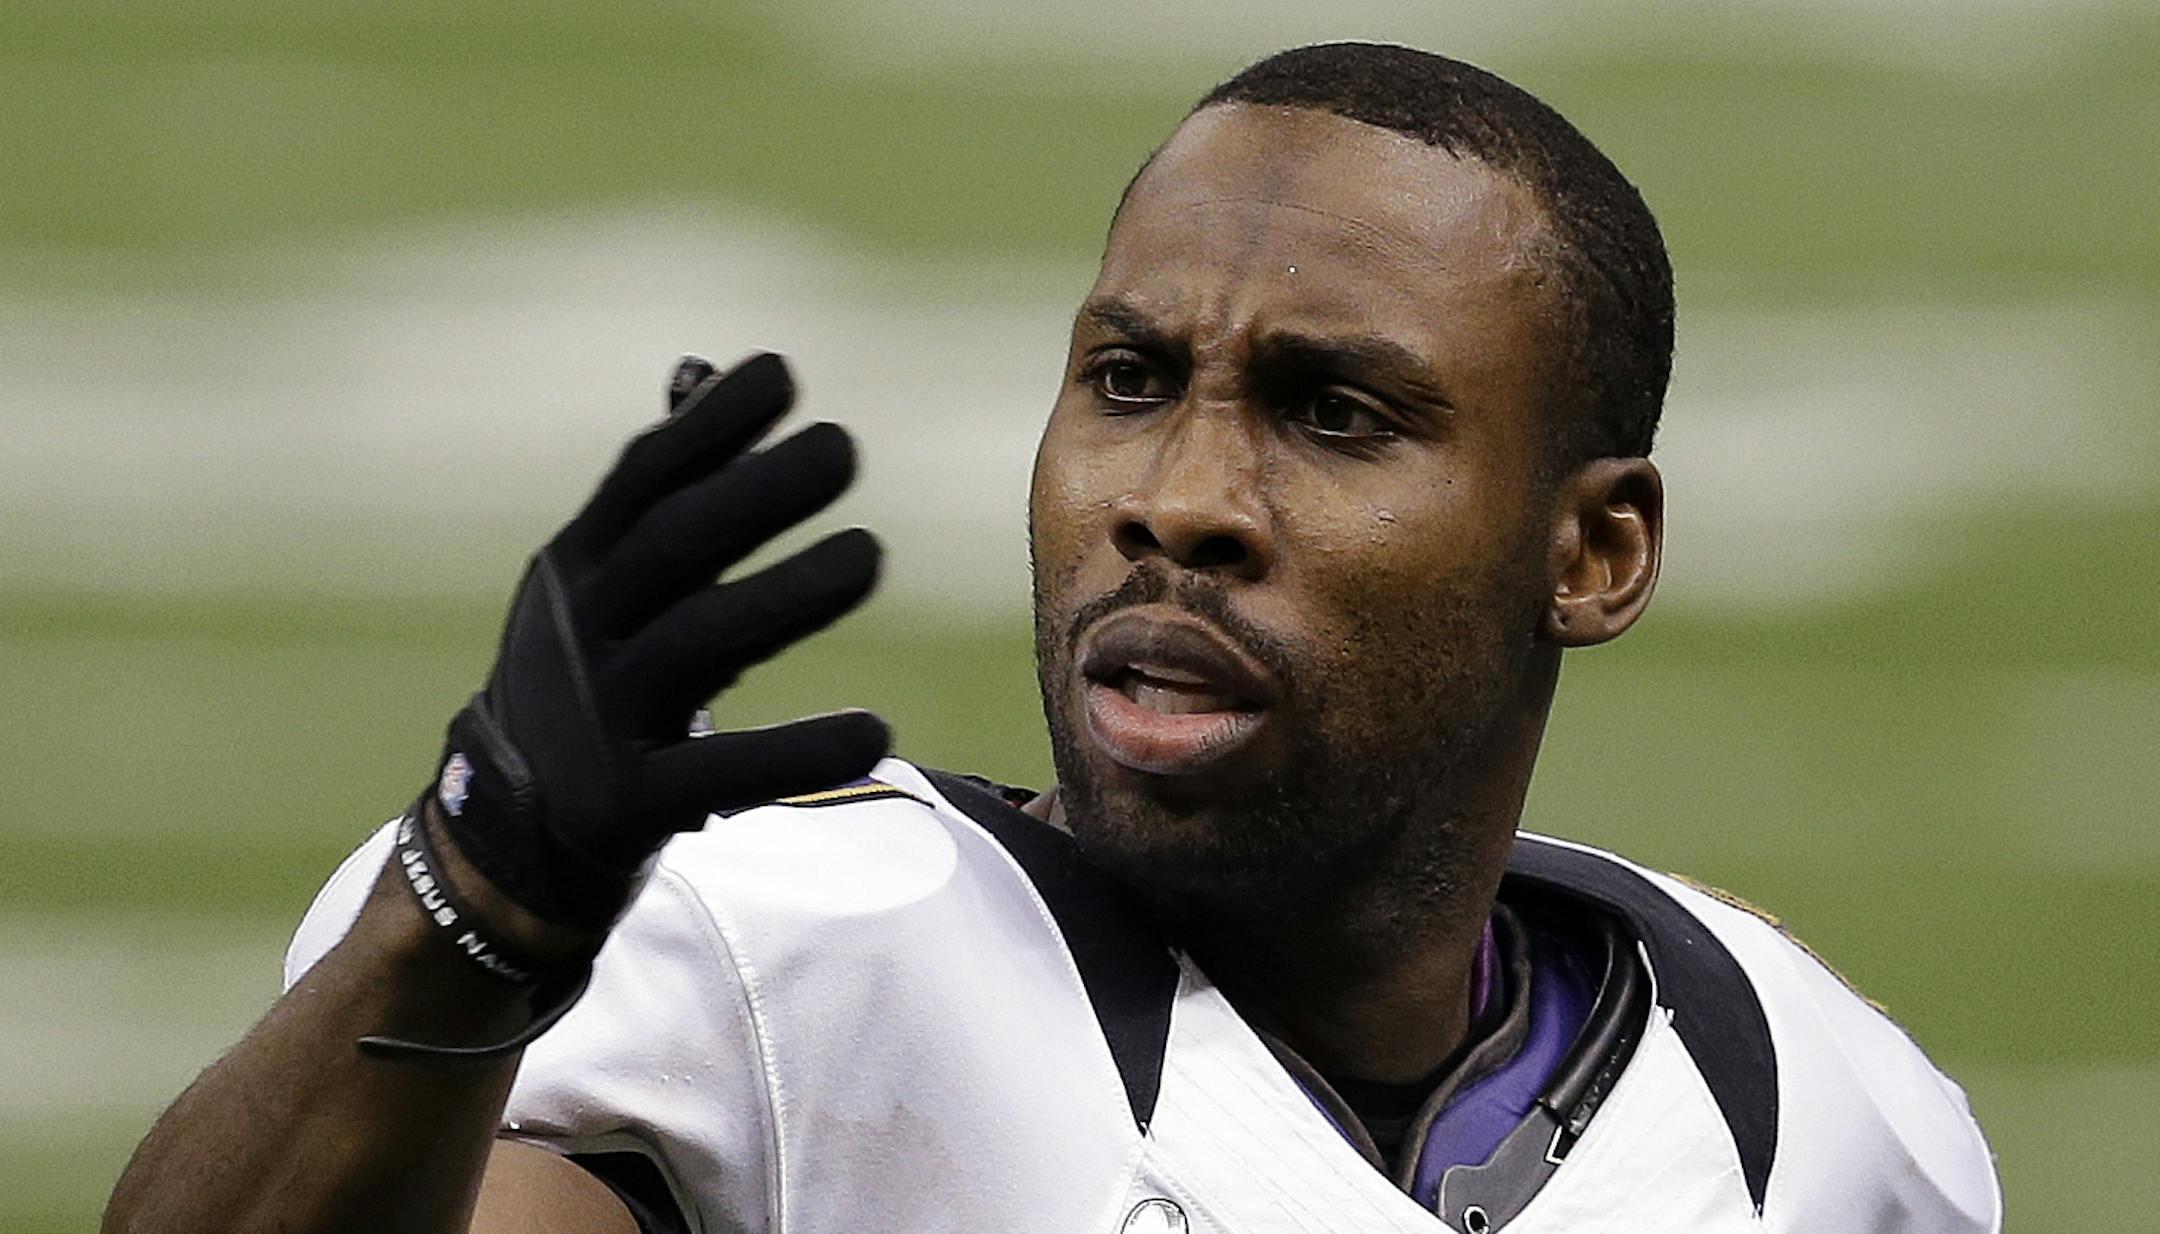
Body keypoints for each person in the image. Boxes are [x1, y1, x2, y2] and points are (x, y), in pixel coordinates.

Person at [104, 42, 2001, 1234]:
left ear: (1592, 550)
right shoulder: (809, 974)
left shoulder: (1799, 1114)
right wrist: (472, 915)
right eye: (1127, 377)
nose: (1176, 495)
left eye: (1335, 412)